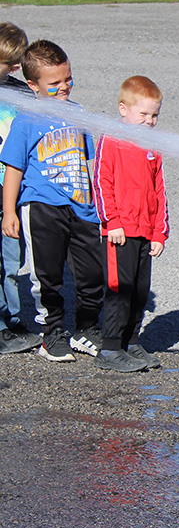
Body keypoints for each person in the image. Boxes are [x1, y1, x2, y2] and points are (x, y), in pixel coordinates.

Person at [0, 39, 104, 362]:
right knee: (47, 276)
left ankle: (87, 329)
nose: (64, 87)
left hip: (82, 207)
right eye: (55, 83)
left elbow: (85, 162)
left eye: (68, 79)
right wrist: (8, 212)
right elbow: (13, 169)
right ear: (32, 85)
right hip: (42, 207)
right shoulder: (27, 119)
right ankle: (52, 333)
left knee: (92, 274)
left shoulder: (78, 113)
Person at [93, 76, 168, 372]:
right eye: (144, 114)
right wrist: (112, 222)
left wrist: (159, 232)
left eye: (155, 115)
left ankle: (132, 342)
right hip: (118, 232)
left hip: (145, 231)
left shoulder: (154, 146)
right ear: (123, 109)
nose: (149, 121)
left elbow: (159, 190)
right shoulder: (112, 139)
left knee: (139, 289)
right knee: (119, 288)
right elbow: (102, 182)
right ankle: (110, 348)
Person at [0, 23, 43, 354]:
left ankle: (11, 321)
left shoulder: (22, 94)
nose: (15, 69)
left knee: (12, 262)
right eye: (8, 63)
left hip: (12, 192)